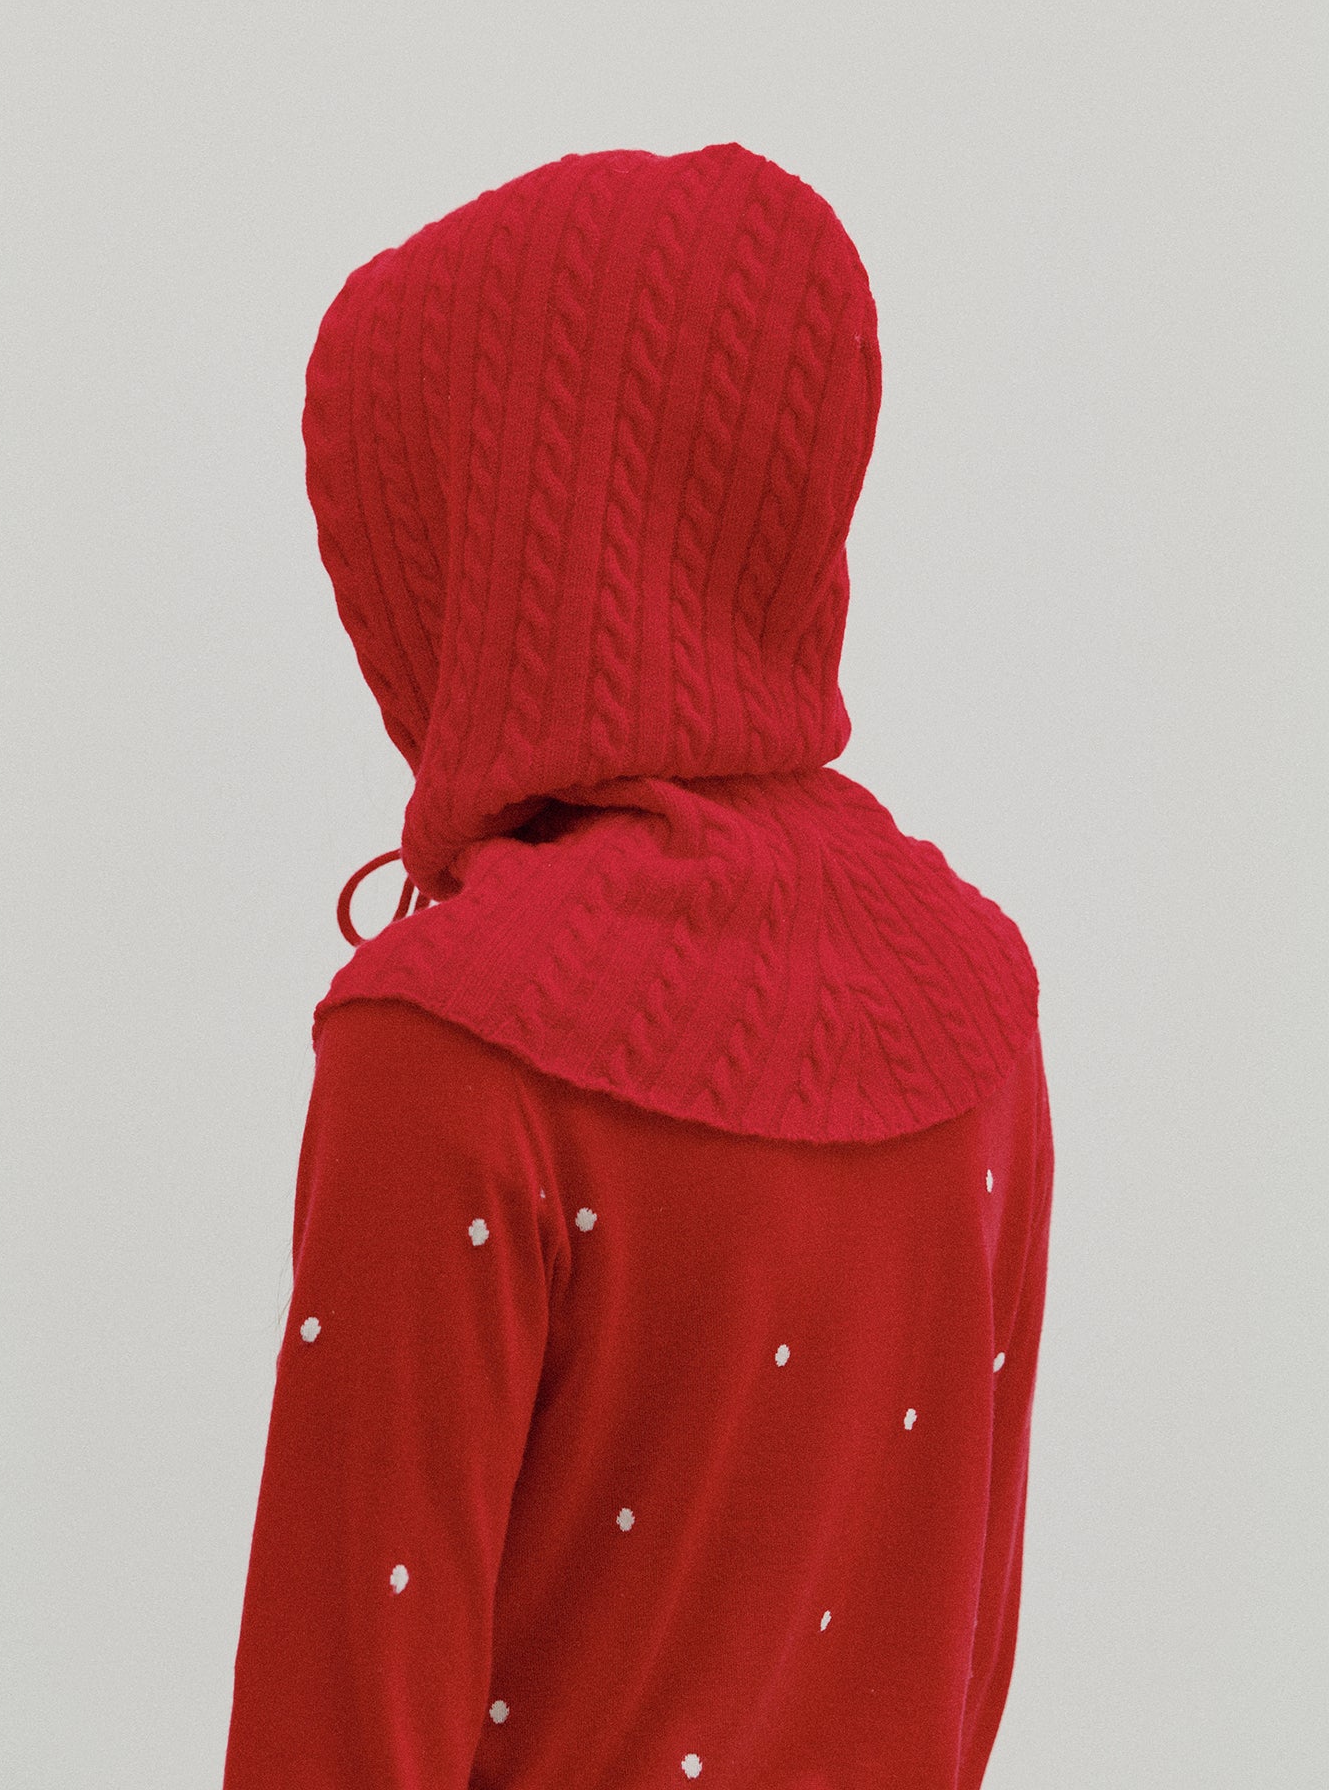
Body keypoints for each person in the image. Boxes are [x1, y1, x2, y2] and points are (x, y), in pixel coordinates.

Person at [222, 141, 1054, 1789]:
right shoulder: (979, 993)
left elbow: (340, 1735)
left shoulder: (448, 1045)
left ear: (495, 536)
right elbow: (961, 1665)